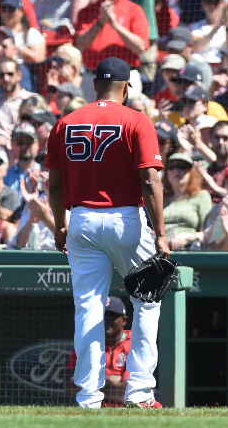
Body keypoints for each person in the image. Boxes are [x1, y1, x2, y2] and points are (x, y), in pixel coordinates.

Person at [45, 57, 167, 408]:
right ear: (127, 87)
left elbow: (55, 185)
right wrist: (159, 233)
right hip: (125, 218)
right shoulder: (136, 119)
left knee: (87, 308)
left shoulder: (65, 122)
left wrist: (59, 223)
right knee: (147, 301)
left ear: (95, 84)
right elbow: (149, 179)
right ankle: (140, 392)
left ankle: (88, 398)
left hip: (80, 218)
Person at [65, 296, 131, 407]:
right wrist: (113, 380)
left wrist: (89, 383)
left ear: (124, 320)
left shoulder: (134, 344)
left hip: (124, 413)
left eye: (111, 316)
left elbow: (126, 392)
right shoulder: (84, 343)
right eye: (102, 315)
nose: (105, 320)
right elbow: (69, 388)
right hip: (88, 411)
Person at [74, 0, 148, 75]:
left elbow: (140, 48)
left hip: (125, 77)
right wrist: (100, 22)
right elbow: (79, 44)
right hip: (93, 77)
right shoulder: (87, 11)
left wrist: (115, 25)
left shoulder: (134, 10)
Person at [162, 153, 213, 250]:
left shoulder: (201, 196)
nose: (176, 170)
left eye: (182, 167)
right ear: (166, 172)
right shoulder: (160, 198)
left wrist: (186, 236)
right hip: (160, 249)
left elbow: (207, 234)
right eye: (171, 167)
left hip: (188, 249)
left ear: (191, 172)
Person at [0, 0, 46, 64]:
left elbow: (40, 59)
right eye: (4, 9)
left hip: (20, 71)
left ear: (21, 12)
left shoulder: (31, 33)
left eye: (11, 9)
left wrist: (17, 48)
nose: (7, 13)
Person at [0, 56, 37, 141]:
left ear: (19, 75)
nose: (6, 78)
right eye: (1, 75)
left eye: (10, 74)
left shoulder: (34, 100)